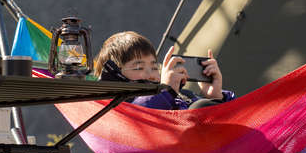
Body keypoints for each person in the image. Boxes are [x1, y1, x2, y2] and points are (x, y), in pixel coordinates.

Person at [94, 31, 234, 109]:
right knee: (199, 108)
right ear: (117, 75)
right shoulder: (120, 107)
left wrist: (214, 96)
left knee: (202, 105)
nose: (152, 75)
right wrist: (167, 92)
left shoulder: (182, 95)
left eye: (155, 67)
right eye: (139, 67)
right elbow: (142, 115)